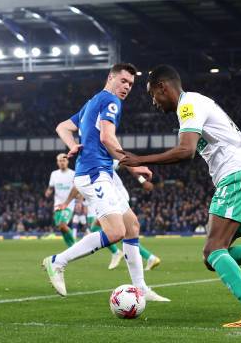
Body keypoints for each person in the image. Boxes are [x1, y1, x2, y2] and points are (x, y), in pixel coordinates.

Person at [119, 64, 241, 328]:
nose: (153, 102)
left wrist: (140, 159)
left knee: (213, 250)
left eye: (153, 94)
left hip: (237, 177)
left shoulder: (188, 105)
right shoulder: (194, 104)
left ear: (163, 87)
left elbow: (186, 151)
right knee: (215, 256)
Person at [41, 63, 169, 302]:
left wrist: (72, 145)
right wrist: (135, 163)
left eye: (130, 84)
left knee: (132, 226)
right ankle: (58, 261)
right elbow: (107, 138)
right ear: (111, 78)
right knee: (116, 232)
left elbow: (63, 127)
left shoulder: (92, 102)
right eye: (123, 81)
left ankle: (140, 288)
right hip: (93, 173)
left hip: (100, 173)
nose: (127, 88)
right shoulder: (111, 101)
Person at [59, 159, 162, 271]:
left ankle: (119, 253)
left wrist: (142, 180)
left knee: (114, 231)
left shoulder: (101, 159)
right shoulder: (88, 163)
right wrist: (66, 203)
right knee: (114, 231)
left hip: (116, 197)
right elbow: (76, 187)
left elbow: (127, 164)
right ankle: (148, 257)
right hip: (110, 199)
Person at [44, 153, 76, 248]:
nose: (62, 162)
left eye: (64, 160)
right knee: (61, 228)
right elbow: (51, 187)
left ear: (67, 161)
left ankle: (75, 245)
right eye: (60, 161)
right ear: (57, 162)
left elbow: (77, 188)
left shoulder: (73, 174)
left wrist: (79, 201)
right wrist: (48, 192)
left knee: (62, 225)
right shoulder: (54, 174)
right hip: (57, 204)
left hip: (68, 204)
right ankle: (71, 248)